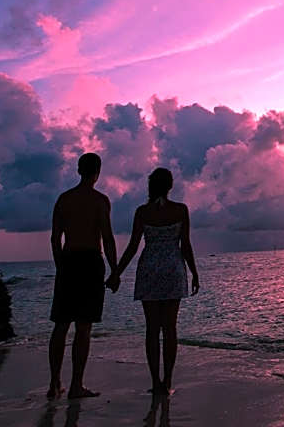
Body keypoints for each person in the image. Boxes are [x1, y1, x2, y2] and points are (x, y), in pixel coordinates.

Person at [107, 167, 199, 395]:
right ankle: (168, 382)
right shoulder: (180, 210)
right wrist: (194, 272)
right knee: (169, 328)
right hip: (173, 269)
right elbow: (185, 244)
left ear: (150, 186)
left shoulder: (142, 212)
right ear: (170, 186)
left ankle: (155, 382)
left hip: (149, 269)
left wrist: (116, 272)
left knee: (151, 329)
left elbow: (132, 246)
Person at [47, 152, 118, 400]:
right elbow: (107, 238)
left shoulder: (64, 199)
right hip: (90, 261)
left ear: (79, 170)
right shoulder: (100, 201)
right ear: (97, 172)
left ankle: (55, 383)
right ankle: (76, 385)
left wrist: (60, 266)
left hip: (69, 260)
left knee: (61, 325)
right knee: (83, 327)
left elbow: (56, 239)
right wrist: (115, 269)